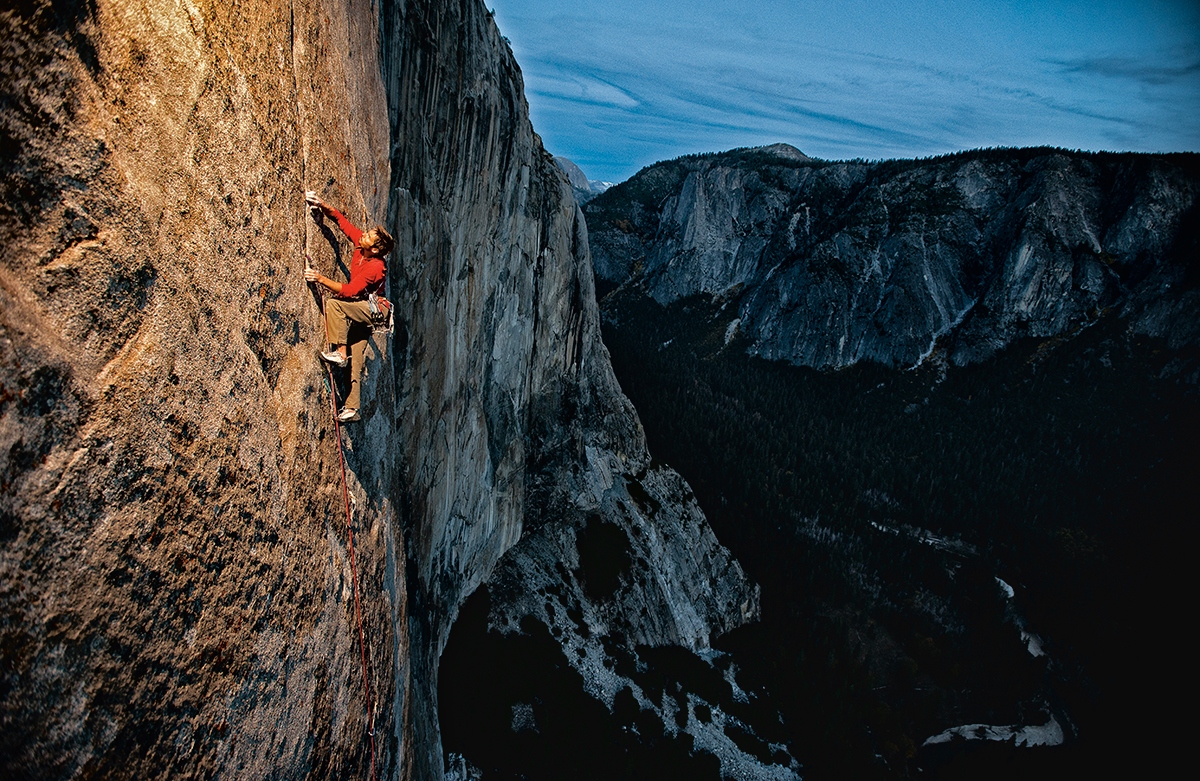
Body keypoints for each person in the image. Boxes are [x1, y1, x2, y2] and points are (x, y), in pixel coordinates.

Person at [303, 191, 395, 422]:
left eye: (369, 236)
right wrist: (322, 205)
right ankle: (352, 409)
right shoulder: (361, 247)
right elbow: (342, 223)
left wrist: (320, 278)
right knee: (358, 356)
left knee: (336, 305)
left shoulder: (374, 266)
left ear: (374, 249)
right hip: (366, 308)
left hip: (374, 310)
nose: (363, 235)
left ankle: (340, 354)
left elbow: (351, 291)